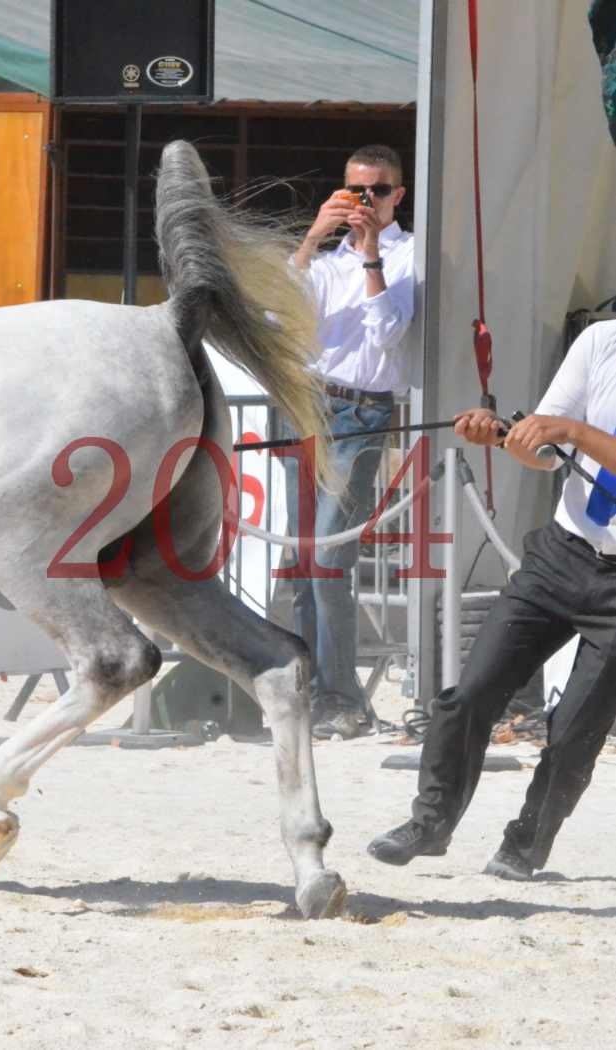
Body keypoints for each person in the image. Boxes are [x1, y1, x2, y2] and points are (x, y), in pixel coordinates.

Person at [369, 323, 616, 880]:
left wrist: (572, 429)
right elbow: (547, 453)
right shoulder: (601, 342)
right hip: (561, 553)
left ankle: (525, 846)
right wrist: (503, 438)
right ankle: (429, 824)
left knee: (576, 730)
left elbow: (568, 432)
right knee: (470, 693)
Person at [281, 144, 416, 741]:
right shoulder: (322, 260)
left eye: (378, 192)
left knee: (330, 557)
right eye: (356, 192)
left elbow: (389, 333)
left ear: (398, 197)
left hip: (361, 412)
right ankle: (308, 687)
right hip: (306, 403)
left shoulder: (409, 256)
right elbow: (279, 317)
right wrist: (314, 236)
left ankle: (342, 697)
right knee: (303, 555)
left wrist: (369, 256)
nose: (366, 203)